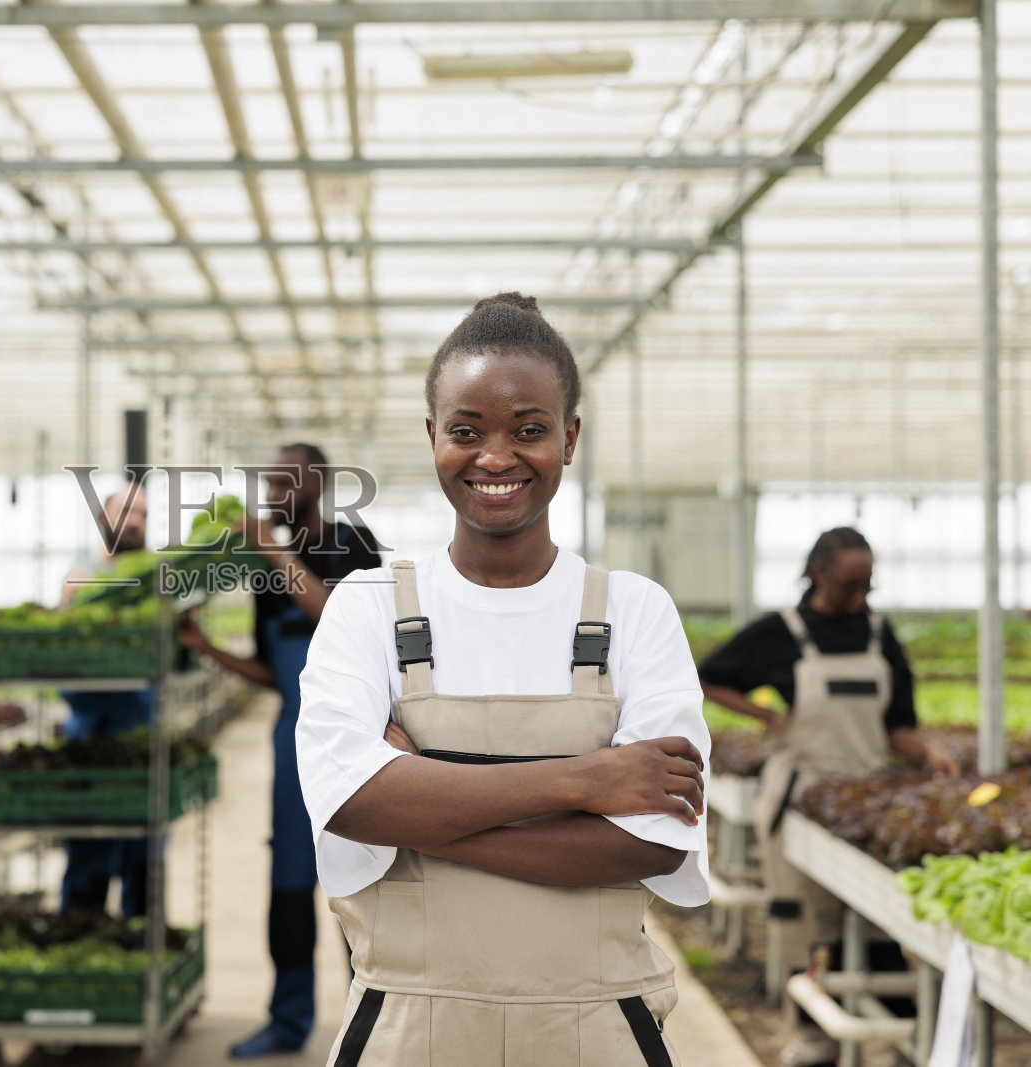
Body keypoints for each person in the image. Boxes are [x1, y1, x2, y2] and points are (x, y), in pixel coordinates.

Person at [293, 293, 711, 1066]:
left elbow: (653, 841)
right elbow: (351, 800)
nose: (495, 456)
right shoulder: (368, 605)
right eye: (465, 430)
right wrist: (593, 778)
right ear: (432, 438)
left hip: (597, 1027)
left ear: (569, 436)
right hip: (406, 1028)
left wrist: (421, 802)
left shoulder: (634, 610)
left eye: (529, 429)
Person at [698, 526, 957, 1067]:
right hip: (799, 799)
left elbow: (897, 726)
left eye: (868, 585)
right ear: (818, 573)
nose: (860, 597)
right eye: (849, 585)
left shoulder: (880, 635)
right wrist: (766, 715)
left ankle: (900, 1037)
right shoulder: (781, 631)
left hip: (863, 800)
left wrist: (929, 752)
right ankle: (815, 1040)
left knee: (875, 921)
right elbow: (709, 677)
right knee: (804, 924)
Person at [177, 444, 382, 1058]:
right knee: (289, 886)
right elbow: (274, 671)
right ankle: (287, 1020)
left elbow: (334, 613)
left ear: (317, 483)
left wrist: (271, 547)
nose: (270, 492)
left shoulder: (353, 544)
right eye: (266, 482)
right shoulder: (271, 572)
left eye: (283, 481)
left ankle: (368, 1024)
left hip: (357, 747)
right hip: (292, 747)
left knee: (362, 884)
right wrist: (205, 646)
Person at [58, 482, 153, 917]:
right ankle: (81, 929)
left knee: (143, 854)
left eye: (144, 515)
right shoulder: (81, 575)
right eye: (126, 512)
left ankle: (137, 945)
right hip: (88, 728)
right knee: (87, 841)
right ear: (103, 519)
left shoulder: (156, 580)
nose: (135, 522)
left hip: (139, 729)